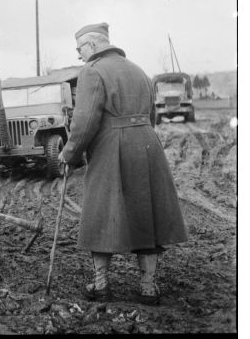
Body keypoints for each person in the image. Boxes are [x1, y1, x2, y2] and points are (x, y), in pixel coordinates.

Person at [58, 22, 188, 305]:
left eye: (80, 48)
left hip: (111, 146)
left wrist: (68, 154)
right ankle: (148, 287)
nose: (79, 55)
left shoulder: (92, 71)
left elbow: (85, 122)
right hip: (147, 144)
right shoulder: (139, 70)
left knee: (102, 212)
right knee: (147, 213)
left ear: (92, 45)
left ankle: (101, 284)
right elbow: (151, 115)